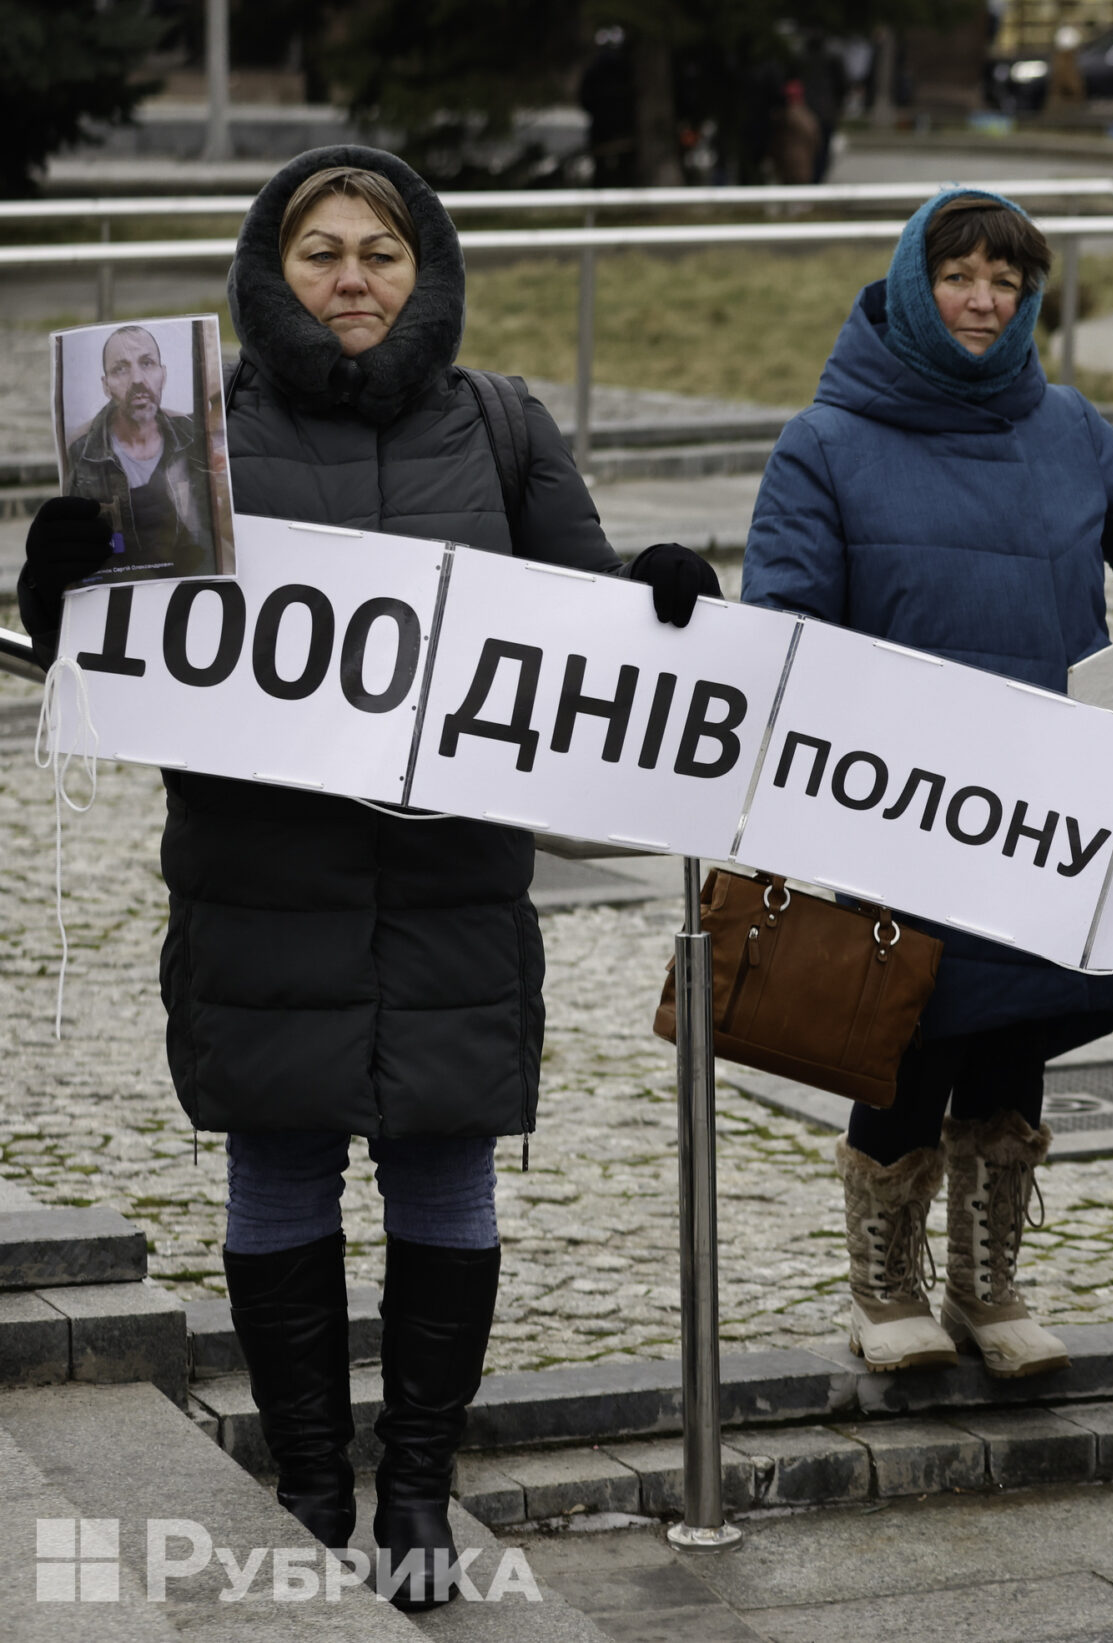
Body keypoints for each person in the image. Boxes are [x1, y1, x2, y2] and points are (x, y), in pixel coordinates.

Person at [14, 147, 721, 1609]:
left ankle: (414, 1483)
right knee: (278, 1161)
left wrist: (663, 594)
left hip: (450, 880)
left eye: (380, 252)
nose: (350, 278)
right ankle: (312, 1476)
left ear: (426, 270)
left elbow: (587, 618)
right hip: (261, 874)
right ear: (274, 272)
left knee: (445, 1169)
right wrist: (59, 576)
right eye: (320, 251)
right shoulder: (189, 434)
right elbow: (103, 657)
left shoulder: (504, 425)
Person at [744, 189, 1113, 1382]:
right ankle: (884, 1281)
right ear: (909, 283)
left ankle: (988, 1282)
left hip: (1050, 804)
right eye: (959, 275)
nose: (984, 300)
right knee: (903, 1039)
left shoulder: (1068, 426)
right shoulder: (823, 443)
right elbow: (779, 622)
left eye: (1007, 280)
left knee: (1015, 1035)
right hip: (901, 806)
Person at [61, 322, 216, 577]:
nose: (137, 380)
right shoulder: (83, 454)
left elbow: (208, 540)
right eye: (120, 369)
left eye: (147, 363)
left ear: (162, 374)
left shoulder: (194, 439)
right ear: (106, 385)